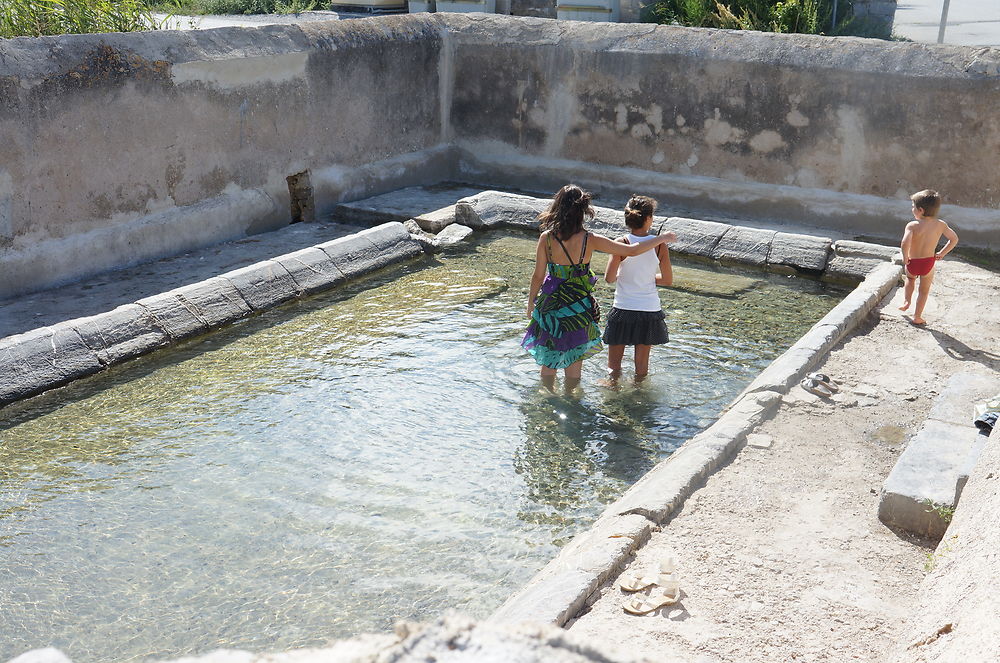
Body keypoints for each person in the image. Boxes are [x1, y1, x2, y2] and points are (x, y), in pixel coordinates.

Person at [521, 185, 676, 389]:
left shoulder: (546, 238)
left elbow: (538, 275)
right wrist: (662, 238)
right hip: (577, 306)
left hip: (550, 304)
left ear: (557, 206)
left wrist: (531, 303)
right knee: (575, 356)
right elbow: (632, 250)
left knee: (549, 356)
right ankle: (572, 400)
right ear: (584, 210)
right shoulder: (589, 239)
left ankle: (547, 397)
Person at [602, 195, 673, 383]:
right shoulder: (659, 245)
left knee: (613, 369)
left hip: (623, 308)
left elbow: (609, 278)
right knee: (641, 370)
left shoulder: (621, 242)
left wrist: (626, 276)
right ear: (649, 218)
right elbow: (667, 280)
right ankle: (639, 400)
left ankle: (612, 397)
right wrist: (647, 278)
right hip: (649, 311)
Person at [898, 189, 959, 325]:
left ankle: (907, 301)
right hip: (928, 263)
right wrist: (942, 253)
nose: (912, 209)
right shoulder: (941, 224)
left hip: (912, 262)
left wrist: (905, 256)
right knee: (924, 291)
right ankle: (917, 316)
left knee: (910, 279)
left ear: (920, 210)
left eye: (913, 207)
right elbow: (954, 239)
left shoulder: (912, 225)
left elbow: (904, 242)